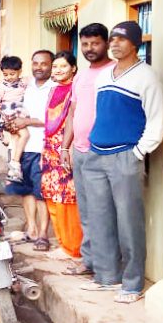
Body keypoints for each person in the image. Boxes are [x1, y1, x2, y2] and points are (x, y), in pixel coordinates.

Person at [83, 22, 163, 303]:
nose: (114, 44)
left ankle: (132, 284)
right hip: (96, 154)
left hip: (125, 156)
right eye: (113, 39)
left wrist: (138, 152)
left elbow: (156, 121)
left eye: (121, 39)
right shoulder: (105, 75)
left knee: (129, 221)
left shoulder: (146, 77)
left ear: (135, 44)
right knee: (100, 218)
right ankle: (106, 277)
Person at [61, 23, 112, 277]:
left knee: (104, 210)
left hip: (104, 151)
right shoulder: (80, 75)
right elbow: (73, 111)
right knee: (87, 209)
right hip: (79, 152)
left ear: (107, 43)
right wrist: (65, 146)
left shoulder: (115, 71)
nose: (90, 49)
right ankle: (89, 261)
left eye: (95, 43)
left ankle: (107, 265)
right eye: (85, 44)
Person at [5, 50, 56, 252]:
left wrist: (26, 121)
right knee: (25, 190)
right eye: (35, 63)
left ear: (51, 65)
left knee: (41, 193)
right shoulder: (26, 87)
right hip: (23, 146)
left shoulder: (56, 88)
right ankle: (32, 229)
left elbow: (55, 119)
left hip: (44, 147)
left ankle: (43, 234)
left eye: (44, 64)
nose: (39, 67)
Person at [41, 52, 82, 260]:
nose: (57, 70)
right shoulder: (53, 90)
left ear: (73, 68)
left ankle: (73, 247)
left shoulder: (77, 89)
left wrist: (70, 148)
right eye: (55, 66)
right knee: (51, 194)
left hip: (67, 148)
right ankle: (62, 243)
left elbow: (77, 121)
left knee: (68, 197)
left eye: (63, 66)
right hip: (50, 149)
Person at [0, 55, 29, 181]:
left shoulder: (24, 82)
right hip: (9, 113)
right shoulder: (1, 87)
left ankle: (13, 171)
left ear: (20, 71)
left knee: (15, 139)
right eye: (6, 74)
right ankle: (15, 164)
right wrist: (4, 115)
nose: (9, 77)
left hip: (21, 112)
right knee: (24, 135)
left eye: (12, 74)